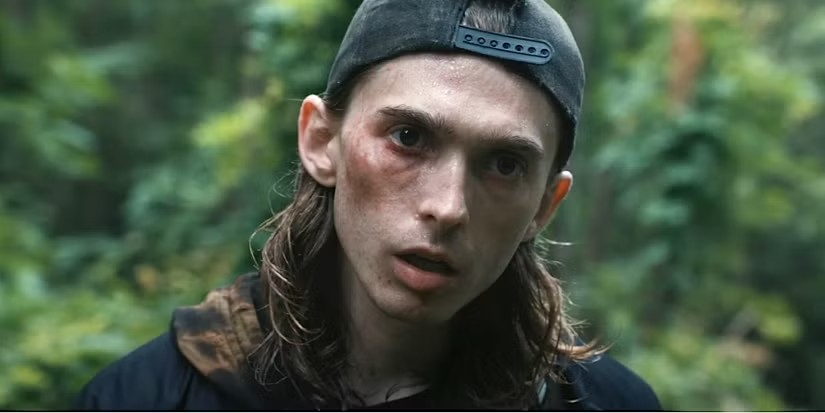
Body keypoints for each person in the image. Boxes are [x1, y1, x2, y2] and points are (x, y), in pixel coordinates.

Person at [74, 0, 661, 410]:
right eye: (408, 137)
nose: (447, 207)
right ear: (320, 141)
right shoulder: (146, 398)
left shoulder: (610, 406)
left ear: (544, 206)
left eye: (505, 164)